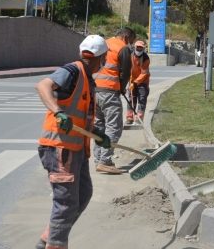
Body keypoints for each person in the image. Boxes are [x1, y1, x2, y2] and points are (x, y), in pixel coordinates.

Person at [34, 35, 112, 249]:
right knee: (66, 203)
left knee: (83, 194)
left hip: (76, 148)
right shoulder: (72, 71)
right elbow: (42, 86)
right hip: (60, 148)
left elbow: (78, 114)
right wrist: (58, 112)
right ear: (102, 57)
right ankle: (56, 245)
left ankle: (46, 240)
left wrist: (96, 133)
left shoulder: (87, 77)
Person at [93, 27, 135, 174]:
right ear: (126, 37)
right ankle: (105, 161)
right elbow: (126, 72)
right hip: (110, 92)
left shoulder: (104, 43)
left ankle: (98, 159)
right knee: (114, 127)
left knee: (99, 126)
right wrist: (122, 88)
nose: (131, 45)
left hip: (95, 91)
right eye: (131, 41)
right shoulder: (122, 48)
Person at [127, 40, 150, 124]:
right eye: (138, 47)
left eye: (141, 48)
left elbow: (144, 73)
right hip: (132, 80)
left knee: (142, 99)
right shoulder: (130, 56)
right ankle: (129, 117)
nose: (139, 49)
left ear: (143, 49)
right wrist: (130, 80)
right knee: (131, 98)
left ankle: (139, 118)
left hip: (143, 82)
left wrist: (135, 82)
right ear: (135, 47)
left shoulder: (146, 59)